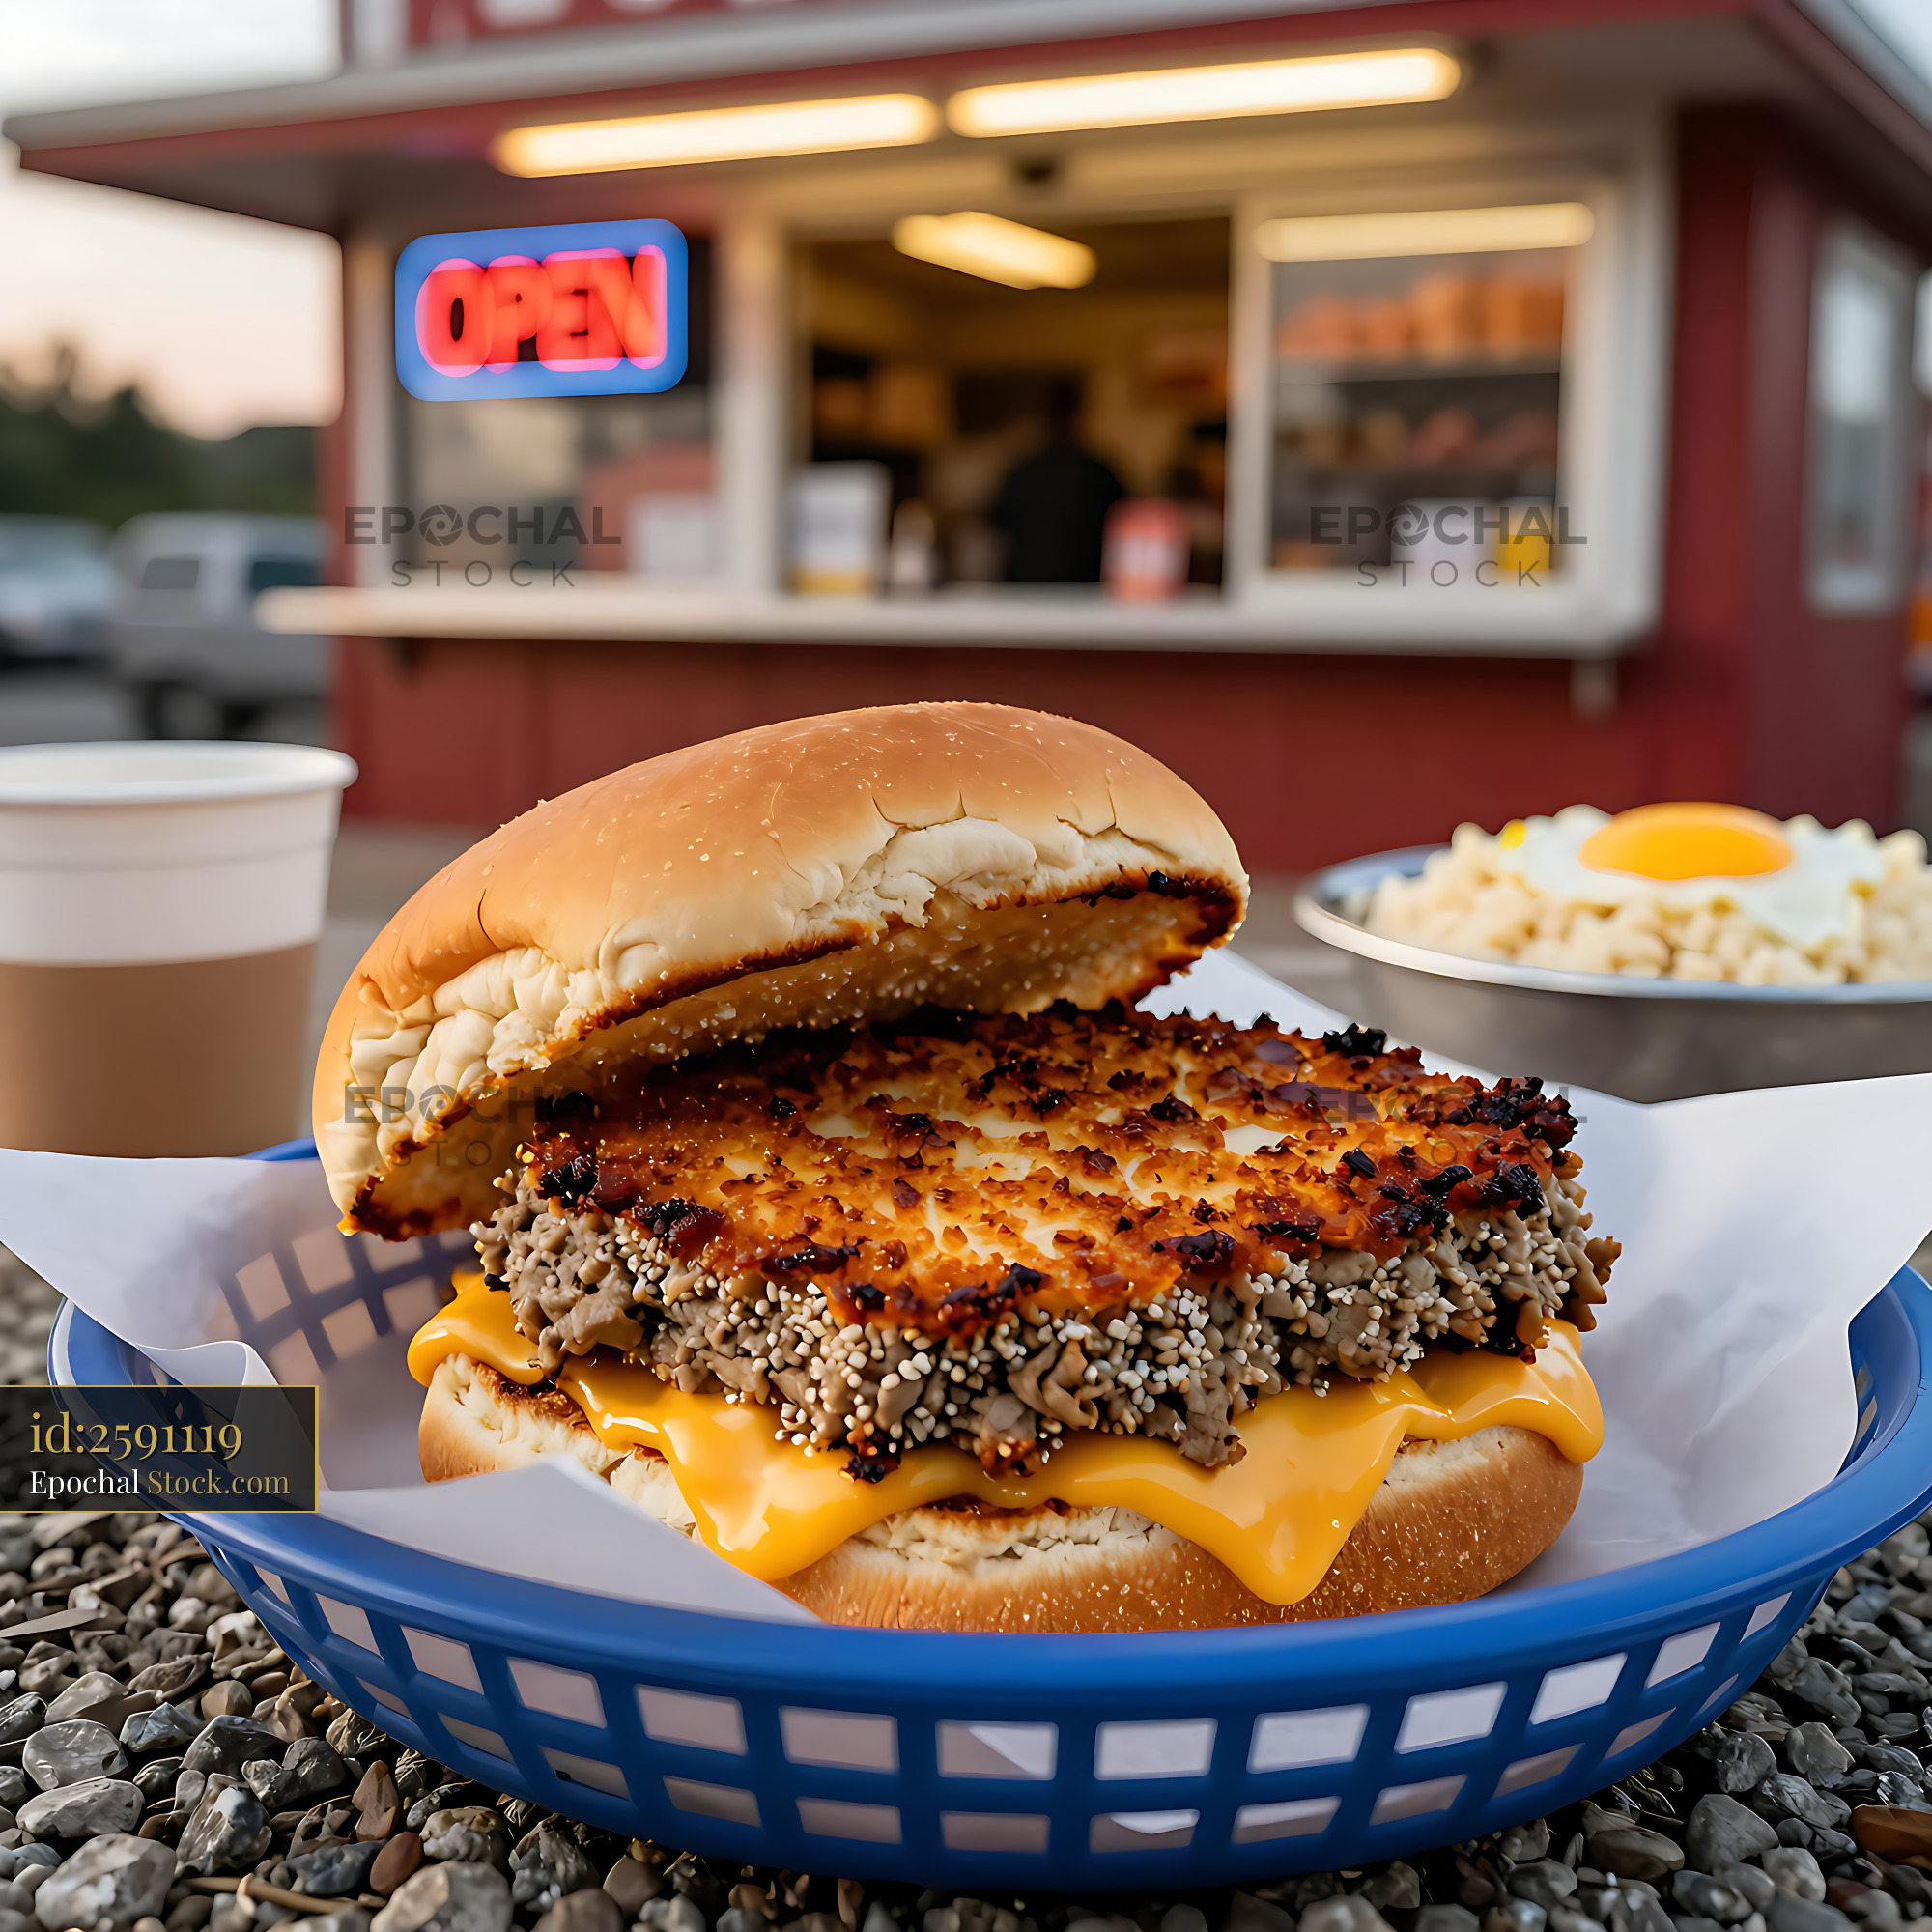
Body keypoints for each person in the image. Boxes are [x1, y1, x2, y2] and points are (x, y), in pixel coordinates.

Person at [986, 378, 1125, 584]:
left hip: (1028, 582)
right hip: (1085, 584)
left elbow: (996, 521)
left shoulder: (1022, 470)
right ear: (1079, 413)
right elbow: (1127, 519)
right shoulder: (1100, 470)